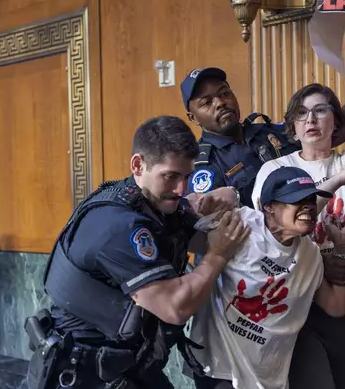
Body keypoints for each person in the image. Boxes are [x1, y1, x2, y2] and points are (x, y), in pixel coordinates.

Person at [24, 115, 250, 389]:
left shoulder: (150, 202)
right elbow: (174, 306)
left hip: (128, 368)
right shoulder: (119, 226)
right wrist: (218, 254)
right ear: (138, 165)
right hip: (86, 373)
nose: (181, 188)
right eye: (170, 176)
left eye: (187, 177)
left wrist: (229, 196)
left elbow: (194, 209)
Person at [250, 0, 345, 388]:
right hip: (294, 305)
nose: (311, 119)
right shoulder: (275, 171)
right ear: (292, 127)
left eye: (320, 110)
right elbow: (275, 236)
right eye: (302, 113)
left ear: (336, 121)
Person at [187, 167, 345, 389]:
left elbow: (336, 305)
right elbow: (183, 223)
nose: (307, 206)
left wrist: (343, 246)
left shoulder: (311, 255)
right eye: (296, 200)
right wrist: (220, 195)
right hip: (220, 369)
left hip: (270, 379)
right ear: (269, 206)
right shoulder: (241, 223)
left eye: (310, 199)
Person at [180, 61, 345, 210]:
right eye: (206, 102)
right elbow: (212, 231)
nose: (220, 103)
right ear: (193, 117)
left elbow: (334, 127)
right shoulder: (204, 168)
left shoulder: (269, 133)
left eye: (224, 93)